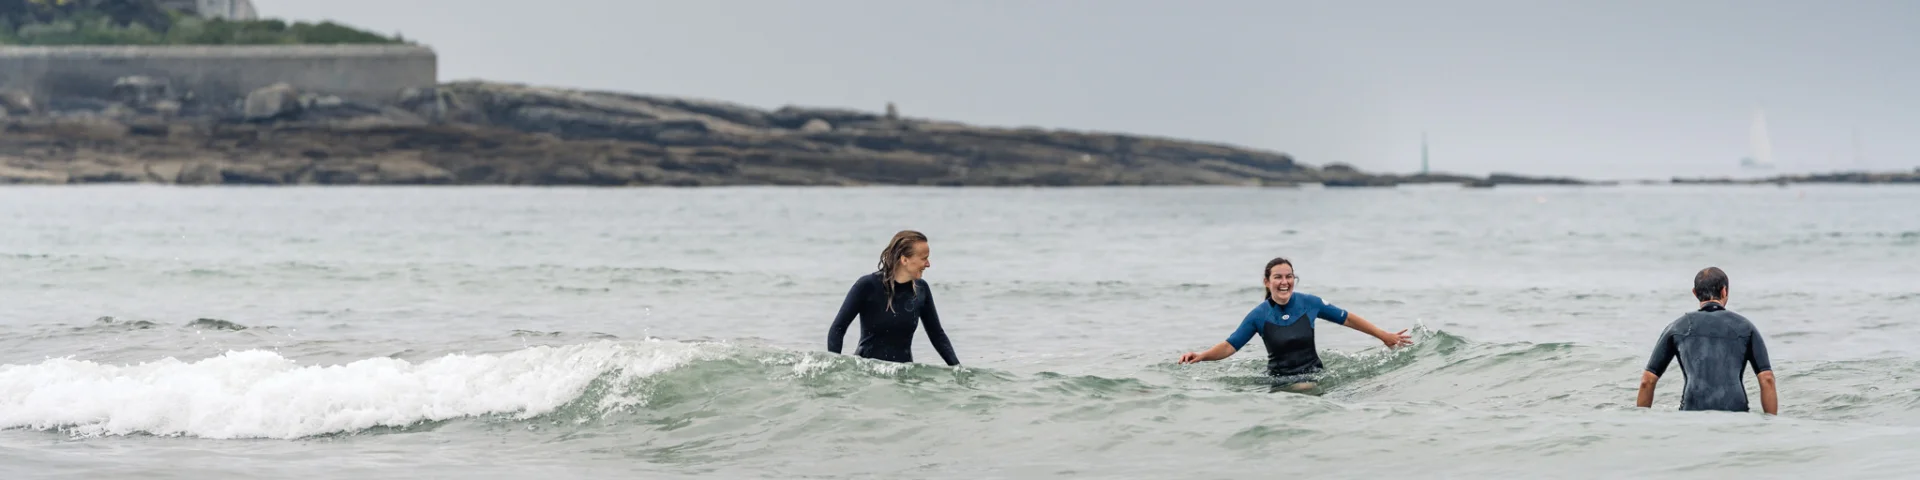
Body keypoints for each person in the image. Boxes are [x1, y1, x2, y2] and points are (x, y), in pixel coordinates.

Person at [1178, 257, 1412, 391]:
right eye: (1278, 277)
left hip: (1316, 375)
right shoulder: (1258, 316)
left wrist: (1384, 336)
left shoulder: (1309, 303)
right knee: (1304, 389)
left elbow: (1348, 318)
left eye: (1289, 276)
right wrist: (1201, 356)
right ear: (1267, 282)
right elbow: (1230, 346)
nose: (1284, 282)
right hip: (1279, 382)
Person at [1637, 267, 1778, 414]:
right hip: (1736, 416)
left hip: (1691, 414)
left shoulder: (1678, 327)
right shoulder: (1745, 327)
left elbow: (1647, 381)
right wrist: (1770, 428)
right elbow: (1767, 379)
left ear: (1695, 293)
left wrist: (1641, 425)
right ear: (1724, 291)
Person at [826, 230, 960, 366]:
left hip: (903, 378)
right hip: (869, 375)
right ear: (904, 259)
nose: (928, 264)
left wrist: (958, 371)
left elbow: (937, 335)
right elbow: (838, 328)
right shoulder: (868, 285)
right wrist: (835, 367)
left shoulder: (921, 289)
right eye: (924, 258)